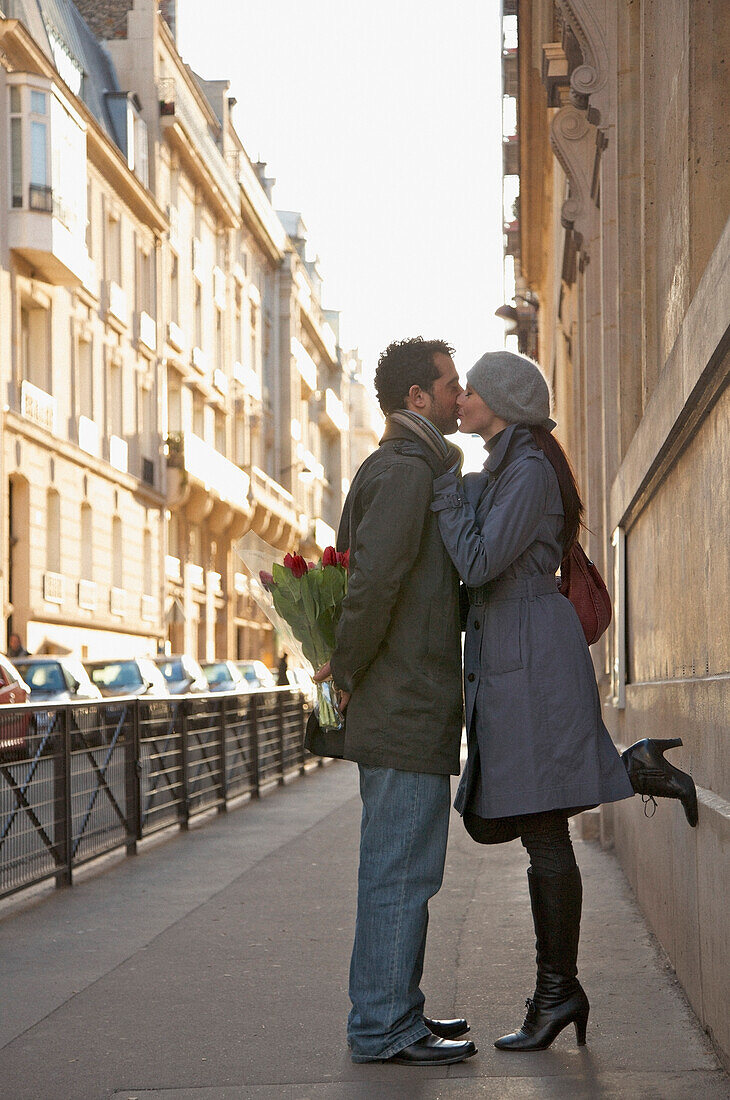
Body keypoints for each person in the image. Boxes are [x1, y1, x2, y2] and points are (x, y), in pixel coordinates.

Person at [431, 350, 698, 1053]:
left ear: (505, 402)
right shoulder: (510, 465)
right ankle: (635, 768)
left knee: (544, 825)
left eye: (474, 389)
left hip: (531, 659)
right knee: (536, 820)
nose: (461, 398)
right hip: (515, 655)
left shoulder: (524, 471)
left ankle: (558, 992)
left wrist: (445, 494)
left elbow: (482, 560)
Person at [314, 337, 477, 1066]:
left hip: (404, 700)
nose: (458, 395)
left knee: (404, 869)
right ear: (417, 397)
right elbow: (373, 585)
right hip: (401, 702)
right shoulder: (406, 471)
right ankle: (382, 1026)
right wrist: (341, 671)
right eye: (449, 384)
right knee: (400, 872)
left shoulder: (405, 468)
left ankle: (394, 1012)